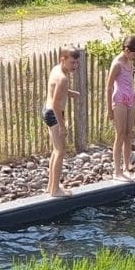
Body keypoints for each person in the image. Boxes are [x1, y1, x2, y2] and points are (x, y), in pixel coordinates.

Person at [43, 46, 81, 197]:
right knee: (60, 152)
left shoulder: (57, 70)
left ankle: (51, 186)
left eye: (77, 63)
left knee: (56, 150)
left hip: (47, 111)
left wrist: (69, 93)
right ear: (63, 60)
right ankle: (55, 190)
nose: (75, 66)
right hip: (54, 114)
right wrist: (62, 126)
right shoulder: (63, 78)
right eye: (72, 63)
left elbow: (53, 91)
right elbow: (56, 105)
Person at [105, 35, 135, 181]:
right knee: (119, 134)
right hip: (119, 100)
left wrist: (134, 95)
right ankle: (117, 171)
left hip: (130, 100)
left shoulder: (129, 62)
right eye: (134, 54)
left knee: (128, 133)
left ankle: (127, 166)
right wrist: (109, 109)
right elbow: (108, 87)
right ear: (126, 50)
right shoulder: (117, 64)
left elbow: (130, 81)